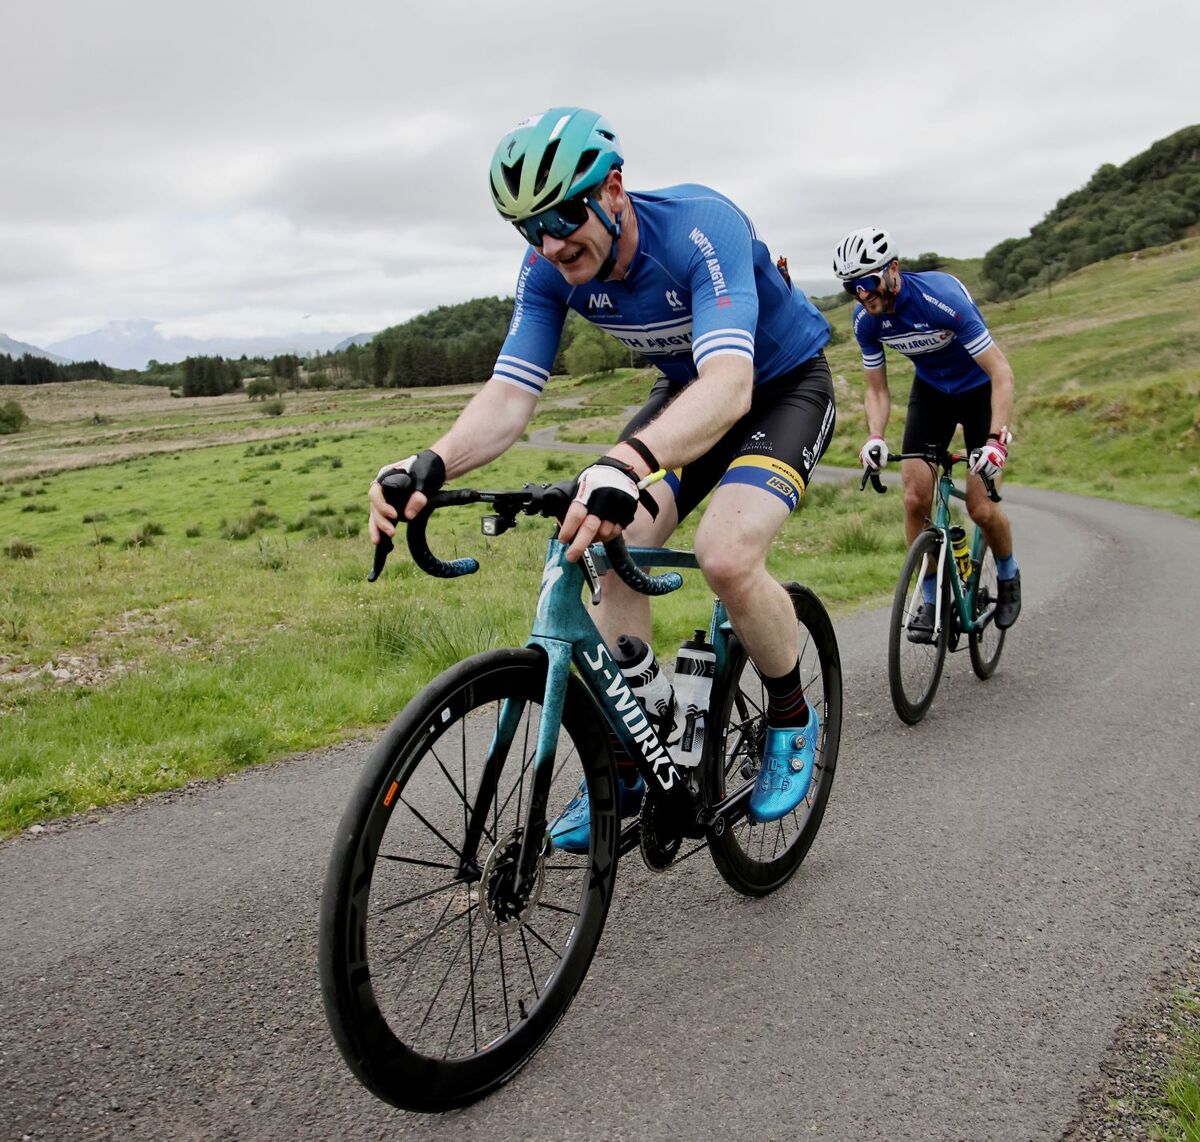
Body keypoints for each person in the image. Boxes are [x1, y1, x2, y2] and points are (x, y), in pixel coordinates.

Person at [369, 106, 836, 849]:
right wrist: (430, 462)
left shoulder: (699, 228)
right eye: (529, 229)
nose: (551, 242)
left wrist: (629, 460)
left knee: (725, 554)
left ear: (614, 187)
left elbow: (730, 383)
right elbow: (510, 396)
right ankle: (631, 752)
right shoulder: (548, 269)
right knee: (594, 539)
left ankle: (790, 714)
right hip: (687, 397)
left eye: (562, 215)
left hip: (776, 389)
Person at [833, 227, 1021, 638]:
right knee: (915, 498)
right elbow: (876, 388)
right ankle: (932, 601)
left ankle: (1008, 573)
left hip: (979, 394)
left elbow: (1002, 374)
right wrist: (875, 436)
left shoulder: (942, 301)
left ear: (893, 270)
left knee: (980, 508)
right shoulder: (866, 320)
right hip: (932, 394)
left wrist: (995, 443)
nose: (863, 295)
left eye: (867, 282)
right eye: (852, 287)